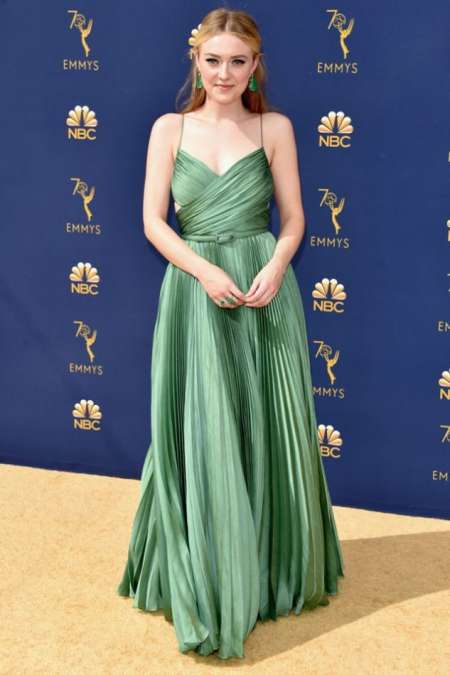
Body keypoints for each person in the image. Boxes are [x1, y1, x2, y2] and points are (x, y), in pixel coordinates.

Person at [116, 6, 345, 660]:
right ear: (196, 61)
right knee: (203, 422)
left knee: (267, 419)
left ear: (255, 65)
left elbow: (294, 218)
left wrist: (276, 265)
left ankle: (268, 571)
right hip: (197, 289)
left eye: (237, 62)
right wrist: (204, 270)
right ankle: (209, 572)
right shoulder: (169, 129)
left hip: (263, 286)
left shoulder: (275, 127)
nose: (224, 73)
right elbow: (153, 221)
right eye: (213, 60)